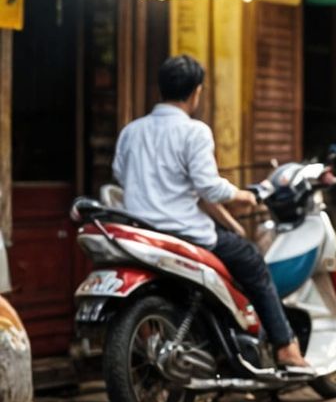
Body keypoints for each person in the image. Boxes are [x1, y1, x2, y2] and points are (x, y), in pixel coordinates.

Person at [113, 55, 308, 370]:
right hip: (188, 236)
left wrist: (232, 224)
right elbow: (210, 189)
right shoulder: (194, 132)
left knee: (238, 243)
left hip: (142, 233)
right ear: (195, 93)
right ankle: (286, 347)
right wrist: (244, 196)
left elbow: (125, 178)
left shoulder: (131, 132)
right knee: (253, 264)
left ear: (160, 89)